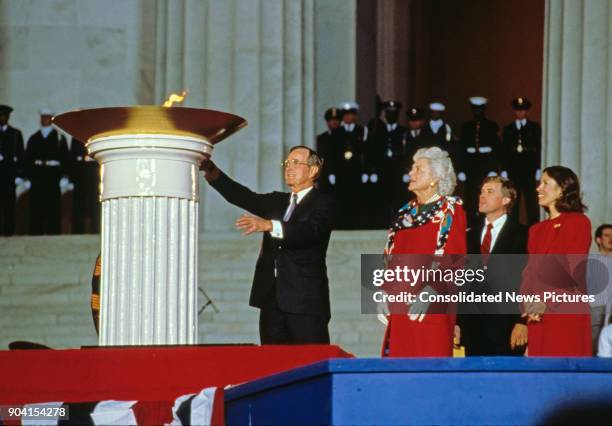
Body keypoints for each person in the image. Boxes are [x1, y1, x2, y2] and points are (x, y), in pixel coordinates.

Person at [201, 146, 337, 344]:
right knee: (274, 366)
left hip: (306, 302)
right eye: (287, 163)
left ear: (313, 170)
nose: (289, 167)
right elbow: (242, 196)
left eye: (296, 163)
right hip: (271, 301)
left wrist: (269, 224)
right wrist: (212, 172)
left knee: (310, 364)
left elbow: (309, 232)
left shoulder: (324, 203)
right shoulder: (277, 201)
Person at [381, 146, 466, 357]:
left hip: (431, 306)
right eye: (412, 168)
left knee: (428, 371)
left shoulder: (450, 210)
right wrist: (383, 291)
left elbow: (454, 259)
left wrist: (432, 290)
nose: (411, 173)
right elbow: (390, 257)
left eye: (419, 169)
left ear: (435, 178)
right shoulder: (404, 212)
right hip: (400, 306)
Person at [520, 166, 592, 356]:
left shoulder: (578, 222)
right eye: (539, 183)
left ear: (562, 189)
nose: (538, 188)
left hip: (565, 312)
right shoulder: (536, 230)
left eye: (545, 183)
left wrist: (546, 300)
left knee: (565, 376)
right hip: (537, 315)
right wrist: (527, 302)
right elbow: (529, 272)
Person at [457, 176, 528, 355]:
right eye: (481, 192)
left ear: (506, 200)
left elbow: (527, 281)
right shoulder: (468, 236)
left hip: (508, 328)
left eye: (490, 192)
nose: (482, 196)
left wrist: (522, 321)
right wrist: (457, 322)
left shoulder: (524, 235)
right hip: (472, 328)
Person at [25, 108, 68, 235]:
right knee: (36, 206)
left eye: (48, 117)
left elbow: (65, 158)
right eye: (43, 117)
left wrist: (65, 177)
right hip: (37, 175)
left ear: (52, 119)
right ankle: (35, 234)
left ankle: (53, 234)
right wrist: (27, 177)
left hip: (53, 175)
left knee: (53, 206)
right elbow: (28, 159)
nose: (45, 120)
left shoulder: (60, 138)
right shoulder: (34, 138)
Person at [458, 97, 500, 227]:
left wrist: (494, 168)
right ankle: (470, 223)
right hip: (470, 165)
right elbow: (460, 150)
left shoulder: (492, 126)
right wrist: (461, 169)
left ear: (484, 110)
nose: (477, 112)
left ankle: (484, 221)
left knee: (485, 192)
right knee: (470, 195)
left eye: (480, 109)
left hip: (485, 164)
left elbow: (496, 148)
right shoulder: (466, 127)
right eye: (475, 109)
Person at [501, 97, 542, 225]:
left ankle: (534, 227)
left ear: (527, 112)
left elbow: (538, 148)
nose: (520, 113)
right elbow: (504, 150)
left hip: (529, 169)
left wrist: (538, 168)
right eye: (518, 110)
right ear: (515, 111)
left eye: (523, 110)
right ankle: (513, 227)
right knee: (514, 200)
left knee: (531, 200)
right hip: (513, 169)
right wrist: (503, 169)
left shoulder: (534, 128)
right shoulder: (508, 128)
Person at [366, 100, 405, 228]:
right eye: (389, 113)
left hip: (397, 169)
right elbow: (372, 150)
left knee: (397, 197)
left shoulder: (402, 131)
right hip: (382, 169)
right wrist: (372, 170)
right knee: (381, 197)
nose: (391, 116)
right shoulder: (378, 129)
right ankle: (381, 223)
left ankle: (397, 223)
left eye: (394, 113)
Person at [336, 102, 367, 228]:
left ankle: (356, 223)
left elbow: (366, 152)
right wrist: (332, 172)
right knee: (341, 198)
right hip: (341, 171)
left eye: (351, 114)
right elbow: (333, 154)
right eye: (346, 115)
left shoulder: (362, 130)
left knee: (356, 198)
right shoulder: (337, 131)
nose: (349, 117)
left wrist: (367, 171)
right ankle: (343, 223)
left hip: (356, 170)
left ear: (355, 116)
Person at [0, 104, 25, 236]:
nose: (2, 118)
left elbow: (20, 155)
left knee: (9, 205)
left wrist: (20, 174)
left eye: (4, 115)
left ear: (8, 117)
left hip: (9, 175)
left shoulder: (15, 134)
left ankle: (9, 232)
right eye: (0, 115)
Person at [588, 224, 612, 354]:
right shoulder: (590, 261)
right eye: (607, 235)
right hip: (595, 309)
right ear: (598, 239)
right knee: (593, 345)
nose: (610, 239)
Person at [69, 138, 100, 233]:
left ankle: (96, 230)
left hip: (93, 174)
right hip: (79, 175)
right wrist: (71, 177)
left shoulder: (97, 135)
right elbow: (72, 157)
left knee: (94, 204)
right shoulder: (75, 137)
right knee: (78, 204)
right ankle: (77, 231)